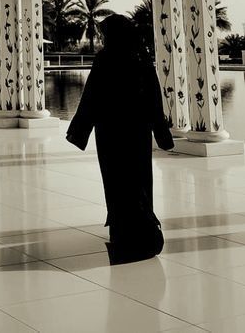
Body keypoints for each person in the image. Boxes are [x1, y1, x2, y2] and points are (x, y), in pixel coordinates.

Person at [66, 13, 174, 264]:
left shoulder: (105, 59)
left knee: (117, 182)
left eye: (105, 35)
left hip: (111, 133)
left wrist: (80, 131)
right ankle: (145, 231)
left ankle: (124, 233)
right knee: (138, 180)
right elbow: (154, 99)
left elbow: (91, 97)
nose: (103, 39)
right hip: (137, 132)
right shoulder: (141, 58)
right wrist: (161, 132)